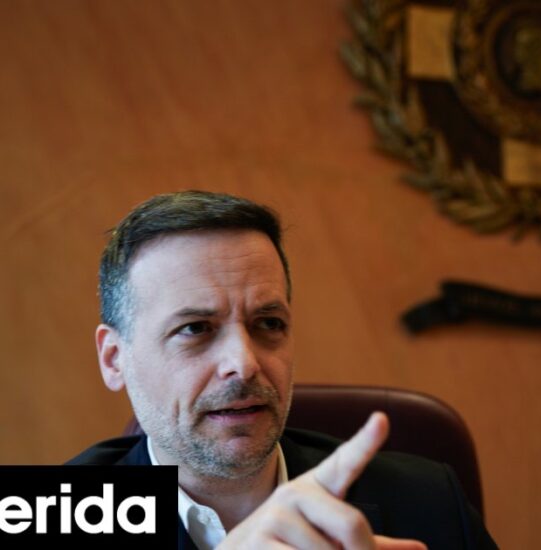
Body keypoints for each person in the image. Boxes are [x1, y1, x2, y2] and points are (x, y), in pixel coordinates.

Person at [68, 191, 497, 549]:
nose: (244, 363)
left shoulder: (428, 504)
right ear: (114, 358)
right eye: (195, 328)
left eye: (269, 324)